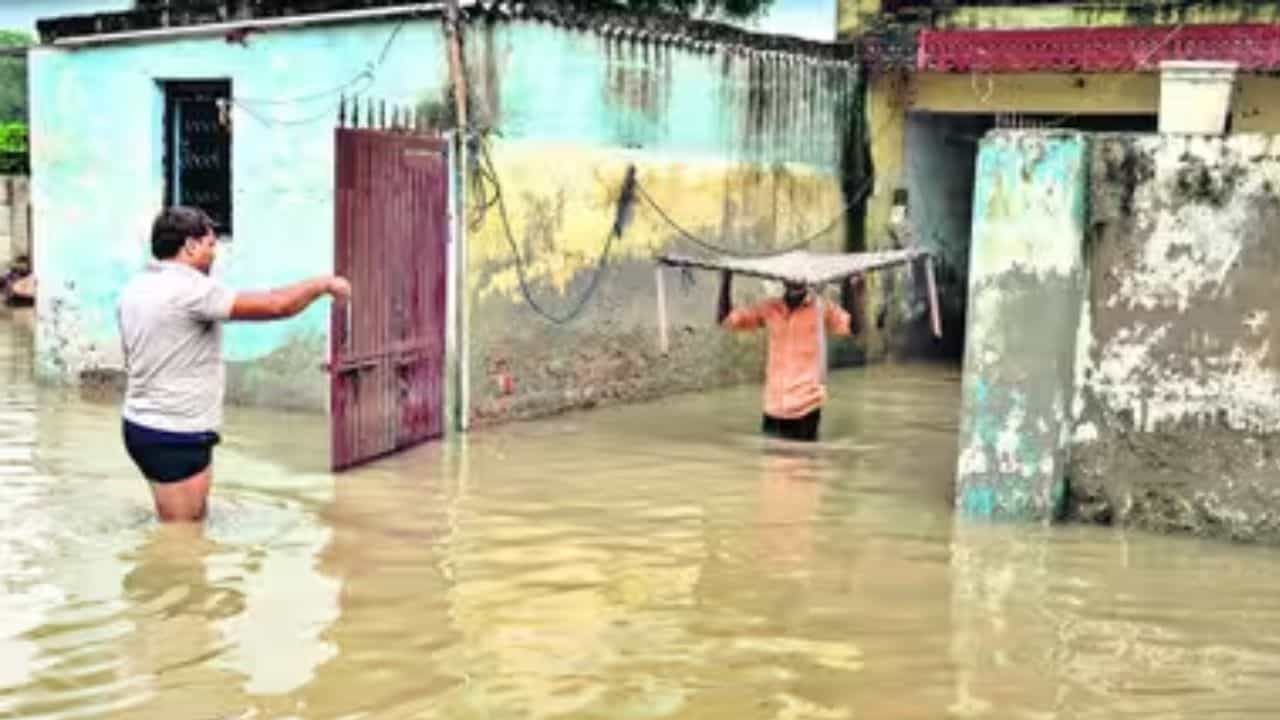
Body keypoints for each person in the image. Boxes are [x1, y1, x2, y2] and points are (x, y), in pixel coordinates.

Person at [117, 206, 351, 522]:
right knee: (183, 538)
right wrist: (322, 285)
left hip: (143, 423)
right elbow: (275, 306)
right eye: (211, 245)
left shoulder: (136, 287)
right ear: (190, 246)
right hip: (176, 432)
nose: (214, 254)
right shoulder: (190, 290)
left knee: (184, 525)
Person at [717, 269, 865, 442]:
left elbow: (854, 328)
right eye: (791, 275)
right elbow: (726, 320)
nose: (795, 279)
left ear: (806, 280)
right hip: (773, 406)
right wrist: (726, 280)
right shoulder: (769, 308)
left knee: (803, 464)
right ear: (783, 279)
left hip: (806, 406)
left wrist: (855, 293)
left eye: (800, 276)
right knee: (772, 464)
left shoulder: (821, 309)